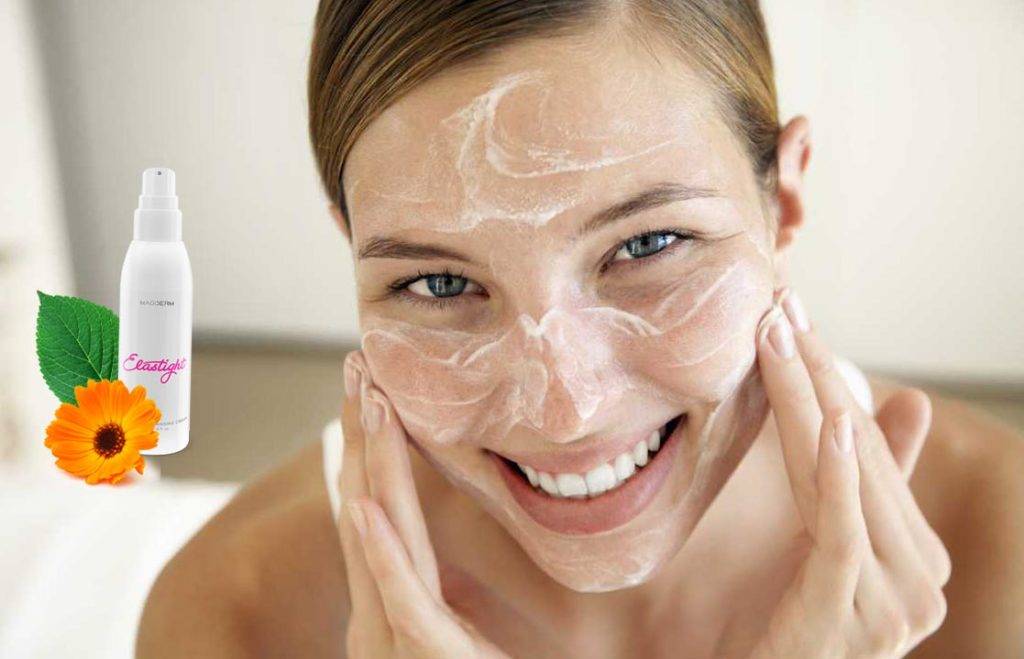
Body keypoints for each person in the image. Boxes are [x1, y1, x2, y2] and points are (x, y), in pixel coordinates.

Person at [136, 1, 1024, 656]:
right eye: (440, 282)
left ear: (782, 198)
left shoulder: (1003, 548)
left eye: (647, 244)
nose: (567, 411)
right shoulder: (232, 618)